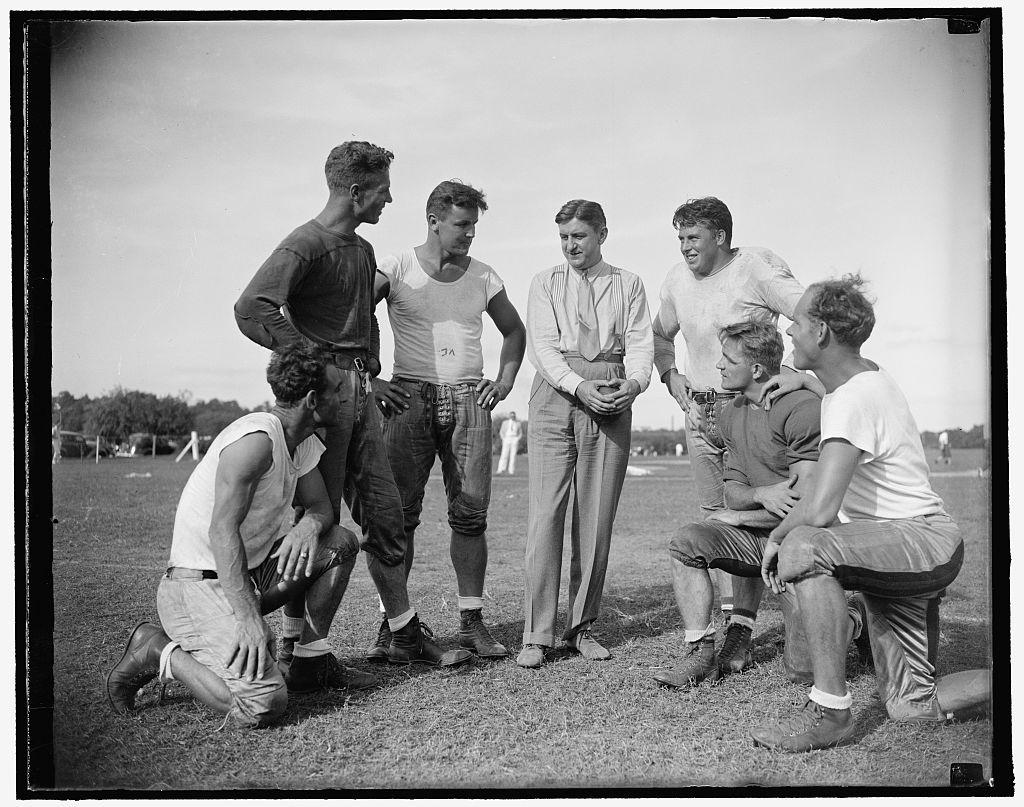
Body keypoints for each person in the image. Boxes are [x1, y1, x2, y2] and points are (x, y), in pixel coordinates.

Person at [234, 142, 470, 668]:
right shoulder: (305, 243)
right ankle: (300, 647)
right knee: (319, 518)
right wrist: (310, 359)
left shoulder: (363, 252)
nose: (389, 200)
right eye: (383, 190)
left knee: (388, 514)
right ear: (356, 190)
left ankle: (403, 633)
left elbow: (365, 320)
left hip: (363, 397)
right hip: (322, 400)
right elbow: (252, 308)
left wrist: (373, 377)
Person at [753, 275, 990, 752]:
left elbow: (820, 511)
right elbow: (850, 373)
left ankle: (833, 714)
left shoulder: (851, 401)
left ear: (820, 332)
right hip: (902, 551)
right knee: (911, 708)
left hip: (919, 542)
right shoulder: (867, 376)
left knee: (804, 546)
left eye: (794, 322)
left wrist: (778, 536)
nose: (787, 332)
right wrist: (807, 377)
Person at [105, 345, 378, 727]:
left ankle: (309, 662)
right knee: (263, 702)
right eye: (338, 389)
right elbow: (222, 530)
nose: (346, 395)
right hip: (197, 587)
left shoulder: (300, 442)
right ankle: (157, 650)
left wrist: (308, 525)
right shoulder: (256, 441)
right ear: (313, 400)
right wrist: (249, 618)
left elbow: (320, 509)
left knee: (339, 542)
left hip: (244, 579)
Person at [369, 179, 526, 660]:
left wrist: (502, 383)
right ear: (433, 221)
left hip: (468, 402)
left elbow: (514, 330)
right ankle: (393, 626)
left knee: (471, 515)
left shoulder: (483, 275)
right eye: (462, 225)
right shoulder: (395, 267)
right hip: (408, 397)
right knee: (399, 519)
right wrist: (372, 378)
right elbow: (355, 316)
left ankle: (471, 624)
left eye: (474, 226)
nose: (469, 235)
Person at [651, 197, 805, 624]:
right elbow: (660, 337)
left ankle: (745, 624)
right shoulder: (676, 280)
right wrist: (669, 375)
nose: (684, 247)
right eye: (680, 238)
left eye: (693, 237)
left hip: (749, 408)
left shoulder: (755, 267)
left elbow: (808, 314)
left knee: (754, 516)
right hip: (699, 414)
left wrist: (796, 374)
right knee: (714, 518)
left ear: (719, 237)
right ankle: (727, 617)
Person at [652, 320, 826, 688]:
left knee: (803, 670)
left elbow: (806, 506)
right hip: (762, 532)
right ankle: (701, 654)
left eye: (728, 359)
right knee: (687, 541)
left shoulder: (801, 407)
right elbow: (733, 492)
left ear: (757, 369)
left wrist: (746, 516)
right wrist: (761, 496)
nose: (718, 366)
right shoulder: (731, 413)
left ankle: (854, 617)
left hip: (800, 543)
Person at [517, 200, 654, 668]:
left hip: (612, 393)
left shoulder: (628, 283)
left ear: (601, 234)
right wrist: (579, 386)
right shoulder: (545, 283)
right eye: (563, 238)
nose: (570, 246)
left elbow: (640, 345)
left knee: (595, 518)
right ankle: (537, 633)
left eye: (579, 236)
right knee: (545, 516)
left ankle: (581, 627)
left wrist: (632, 386)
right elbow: (544, 349)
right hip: (557, 392)